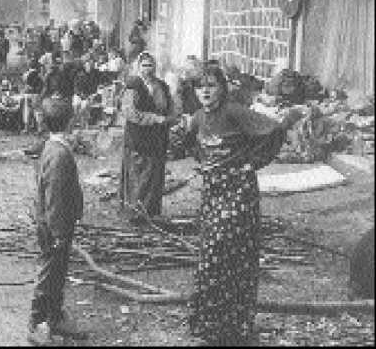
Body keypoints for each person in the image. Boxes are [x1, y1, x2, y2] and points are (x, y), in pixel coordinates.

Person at [185, 63, 302, 346]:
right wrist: (204, 165)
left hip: (238, 192)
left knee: (229, 252)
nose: (206, 91)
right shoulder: (199, 118)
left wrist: (251, 163)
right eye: (200, 87)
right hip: (213, 194)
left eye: (211, 85)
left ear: (222, 88)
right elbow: (193, 145)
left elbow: (273, 130)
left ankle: (234, 326)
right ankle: (211, 324)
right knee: (211, 255)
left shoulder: (234, 112)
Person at [28, 97, 86, 345]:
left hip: (55, 223)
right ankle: (37, 323)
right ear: (70, 122)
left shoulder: (52, 148)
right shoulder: (59, 154)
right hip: (54, 226)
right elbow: (54, 198)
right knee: (49, 274)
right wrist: (59, 232)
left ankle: (55, 317)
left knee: (58, 273)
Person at [120, 51, 175, 221]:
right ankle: (135, 212)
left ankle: (151, 212)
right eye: (144, 65)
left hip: (157, 138)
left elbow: (170, 107)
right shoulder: (133, 86)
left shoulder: (162, 86)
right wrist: (154, 118)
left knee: (155, 175)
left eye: (150, 65)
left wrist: (170, 119)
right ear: (138, 67)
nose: (148, 69)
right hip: (138, 138)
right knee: (138, 175)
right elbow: (129, 112)